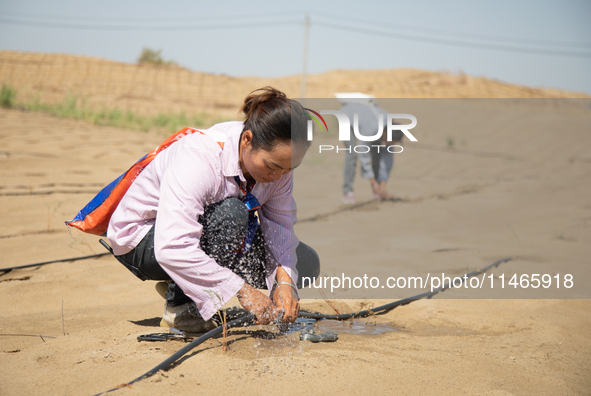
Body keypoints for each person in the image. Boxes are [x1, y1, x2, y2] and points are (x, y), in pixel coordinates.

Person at [106, 87, 320, 332]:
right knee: (232, 215)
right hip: (145, 239)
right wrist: (243, 291)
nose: (279, 176)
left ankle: (187, 281)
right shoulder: (200, 158)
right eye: (272, 166)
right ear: (247, 140)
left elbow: (280, 229)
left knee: (304, 263)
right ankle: (180, 306)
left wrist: (284, 282)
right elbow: (171, 246)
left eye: (289, 169)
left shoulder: (279, 169)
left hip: (208, 232)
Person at [336, 93, 388, 204]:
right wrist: (374, 182)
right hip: (345, 117)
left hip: (362, 120)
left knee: (377, 153)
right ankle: (347, 192)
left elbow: (387, 159)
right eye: (388, 141)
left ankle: (377, 191)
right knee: (352, 154)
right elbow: (363, 155)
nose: (388, 144)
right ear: (384, 134)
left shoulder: (390, 125)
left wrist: (382, 184)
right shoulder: (371, 129)